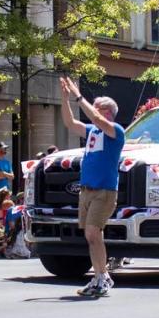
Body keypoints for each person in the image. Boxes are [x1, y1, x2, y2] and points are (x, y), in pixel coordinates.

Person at [60, 76, 124, 297]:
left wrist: (79, 96)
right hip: (86, 191)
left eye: (97, 108)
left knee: (93, 232)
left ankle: (102, 277)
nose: (91, 111)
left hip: (104, 191)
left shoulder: (116, 131)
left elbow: (95, 117)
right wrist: (65, 99)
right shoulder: (92, 132)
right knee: (92, 236)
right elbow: (70, 123)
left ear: (107, 112)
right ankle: (99, 277)